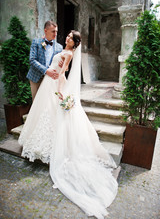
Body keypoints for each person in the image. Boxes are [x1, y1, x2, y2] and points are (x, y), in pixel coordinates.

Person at [18, 30, 118, 219]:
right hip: (48, 82)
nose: (67, 38)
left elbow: (63, 73)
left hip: (54, 84)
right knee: (43, 114)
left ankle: (50, 147)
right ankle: (40, 145)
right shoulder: (61, 48)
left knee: (51, 114)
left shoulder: (69, 53)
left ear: (75, 43)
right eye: (68, 36)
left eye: (71, 38)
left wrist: (61, 91)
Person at [27, 20, 63, 100]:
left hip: (50, 79)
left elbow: (62, 65)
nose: (55, 34)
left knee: (47, 103)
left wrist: (61, 65)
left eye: (56, 31)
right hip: (36, 77)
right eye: (53, 31)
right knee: (36, 103)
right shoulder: (36, 42)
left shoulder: (59, 47)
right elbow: (32, 60)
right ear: (45, 31)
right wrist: (46, 70)